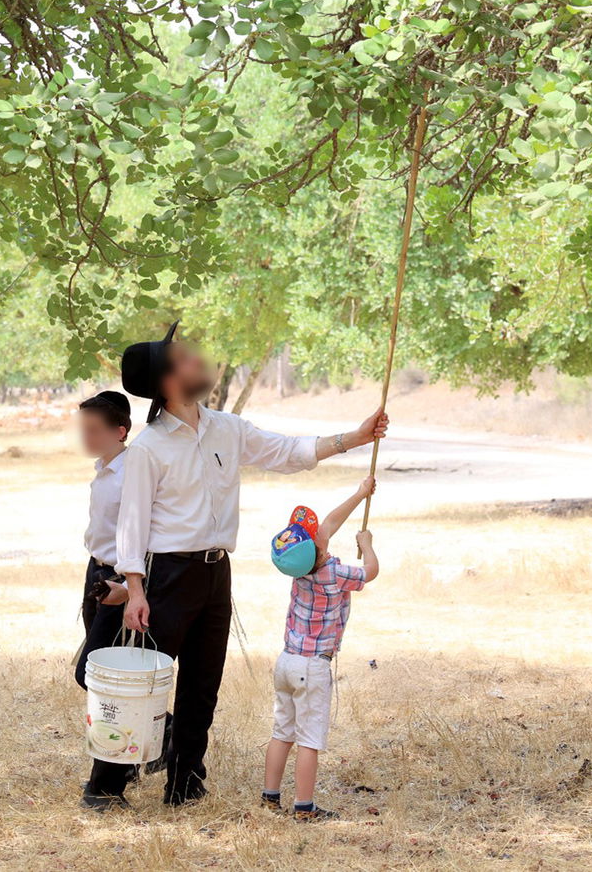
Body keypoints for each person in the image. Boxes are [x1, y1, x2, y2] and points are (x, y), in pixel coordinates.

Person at [77, 321, 389, 811]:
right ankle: (105, 787)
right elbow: (131, 526)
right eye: (184, 358)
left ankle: (184, 784)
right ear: (166, 381)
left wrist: (355, 436)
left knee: (203, 684)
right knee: (145, 682)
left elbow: (288, 452)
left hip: (215, 572)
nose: (196, 361)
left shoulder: (227, 428)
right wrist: (135, 590)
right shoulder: (148, 449)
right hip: (166, 576)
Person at [261, 478, 380, 821]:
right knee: (309, 739)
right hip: (312, 667)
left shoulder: (299, 570)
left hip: (286, 662)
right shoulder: (334, 573)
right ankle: (304, 807)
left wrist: (360, 494)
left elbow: (327, 525)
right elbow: (370, 572)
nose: (322, 534)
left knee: (282, 732)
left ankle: (270, 797)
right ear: (319, 548)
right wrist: (367, 543)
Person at [75, 392, 132, 632]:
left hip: (118, 576)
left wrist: (130, 587)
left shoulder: (131, 473)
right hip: (95, 569)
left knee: (103, 657)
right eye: (84, 429)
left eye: (94, 430)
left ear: (120, 433)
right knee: (93, 650)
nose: (86, 437)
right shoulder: (102, 468)